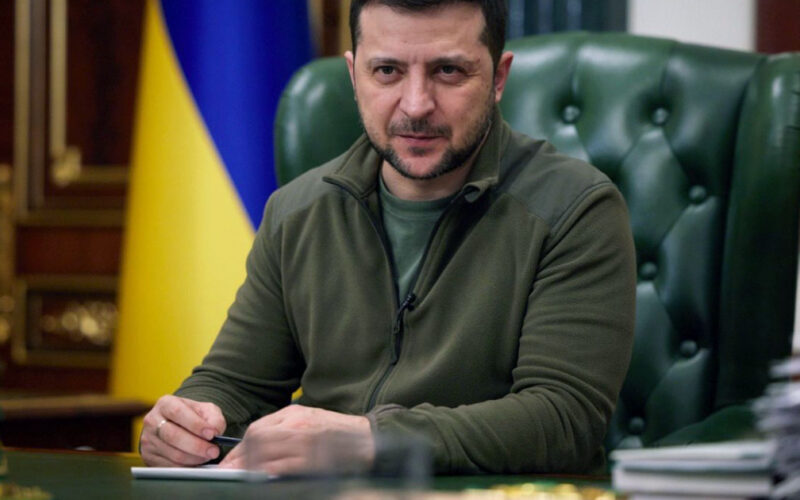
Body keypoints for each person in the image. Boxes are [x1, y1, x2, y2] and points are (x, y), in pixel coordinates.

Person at [139, 0, 636, 475]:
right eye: (387, 71)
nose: (416, 105)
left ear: (498, 78)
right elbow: (233, 384)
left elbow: (562, 420)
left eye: (448, 71)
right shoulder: (296, 212)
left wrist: (372, 440)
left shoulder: (576, 208)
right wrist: (187, 424)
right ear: (354, 76)